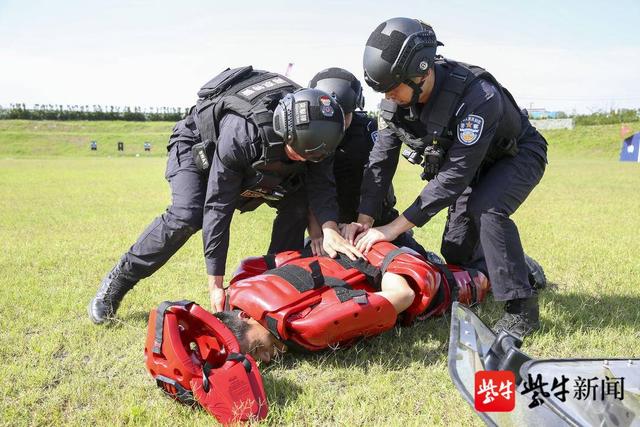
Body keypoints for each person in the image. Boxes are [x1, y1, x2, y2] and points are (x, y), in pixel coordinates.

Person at [89, 66, 362, 324]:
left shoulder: (320, 128)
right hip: (200, 148)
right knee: (188, 215)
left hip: (260, 162)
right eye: (300, 155)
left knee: (298, 202)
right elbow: (219, 206)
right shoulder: (243, 134)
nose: (305, 160)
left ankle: (274, 287)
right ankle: (118, 281)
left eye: (312, 157)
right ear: (285, 132)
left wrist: (328, 229)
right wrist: (215, 284)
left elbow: (321, 184)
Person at [349, 18, 548, 338]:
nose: (388, 95)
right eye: (382, 88)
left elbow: (454, 178)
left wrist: (391, 229)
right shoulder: (395, 100)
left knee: (487, 208)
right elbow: (380, 162)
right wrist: (365, 218)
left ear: (422, 71)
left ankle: (521, 309)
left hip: (516, 155)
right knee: (456, 251)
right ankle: (523, 268)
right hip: (473, 167)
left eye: (393, 86)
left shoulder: (477, 96)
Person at [214, 241, 490, 362]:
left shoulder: (309, 325)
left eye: (256, 348)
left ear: (243, 317)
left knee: (465, 284)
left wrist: (389, 261)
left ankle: (523, 272)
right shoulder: (240, 285)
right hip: (356, 244)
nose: (266, 358)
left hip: (389, 261)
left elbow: (403, 296)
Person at [306, 67, 431, 260]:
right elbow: (313, 184)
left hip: (375, 220)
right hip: (329, 224)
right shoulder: (309, 134)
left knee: (420, 263)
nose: (337, 123)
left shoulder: (369, 130)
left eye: (343, 116)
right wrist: (317, 232)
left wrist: (363, 224)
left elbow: (380, 172)